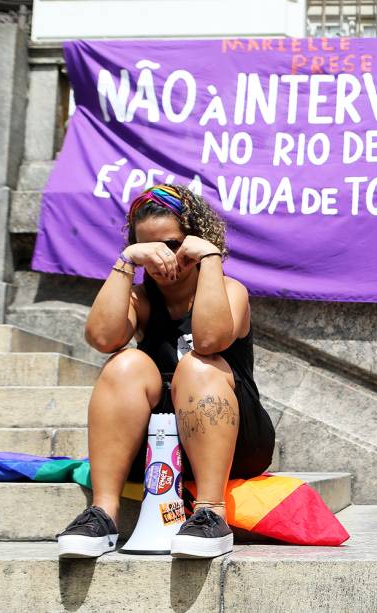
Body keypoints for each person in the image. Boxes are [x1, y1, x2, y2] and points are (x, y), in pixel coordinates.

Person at [56, 184, 275, 559]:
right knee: (123, 363)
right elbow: (102, 337)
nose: (162, 260)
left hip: (234, 439)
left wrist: (209, 258)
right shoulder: (140, 300)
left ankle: (210, 513)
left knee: (199, 365)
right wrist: (126, 260)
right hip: (159, 444)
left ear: (195, 240)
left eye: (172, 245)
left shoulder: (230, 290)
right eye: (150, 249)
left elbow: (209, 340)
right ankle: (102, 514)